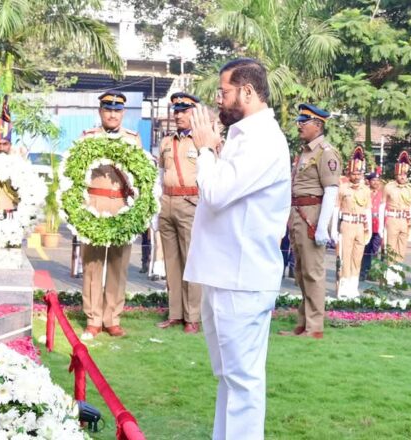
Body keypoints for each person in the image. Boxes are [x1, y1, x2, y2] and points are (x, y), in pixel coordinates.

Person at [184, 58, 290, 440]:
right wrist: (213, 147)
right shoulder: (247, 134)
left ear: (247, 92)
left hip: (242, 277)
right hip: (227, 272)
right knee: (229, 377)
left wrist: (207, 150)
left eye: (223, 91)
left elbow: (215, 192)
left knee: (242, 382)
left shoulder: (264, 139)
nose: (218, 99)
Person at [80, 91, 144, 340]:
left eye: (117, 110)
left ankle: (112, 318)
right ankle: (93, 318)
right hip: (94, 203)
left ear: (123, 113)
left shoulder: (132, 139)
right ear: (100, 112)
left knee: (118, 265)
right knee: (93, 265)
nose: (112, 114)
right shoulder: (88, 138)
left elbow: (140, 178)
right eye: (108, 109)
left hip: (121, 205)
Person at [278, 103, 341, 339]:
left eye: (304, 122)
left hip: (311, 215)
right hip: (298, 214)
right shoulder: (305, 152)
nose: (299, 125)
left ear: (317, 124)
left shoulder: (326, 153)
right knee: (301, 271)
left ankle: (314, 327)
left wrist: (322, 225)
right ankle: (304, 323)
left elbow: (331, 190)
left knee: (313, 272)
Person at [155, 92, 203, 333]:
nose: (179, 115)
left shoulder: (202, 141)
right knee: (171, 261)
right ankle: (175, 313)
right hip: (168, 201)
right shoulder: (166, 141)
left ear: (194, 112)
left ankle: (192, 316)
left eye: (184, 110)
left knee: (191, 262)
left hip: (191, 202)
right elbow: (160, 174)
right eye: (176, 111)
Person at [335, 147, 371, 299]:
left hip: (360, 226)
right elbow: (336, 209)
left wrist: (369, 229)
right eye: (354, 173)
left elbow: (368, 210)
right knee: (345, 255)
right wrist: (333, 229)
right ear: (349, 173)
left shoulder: (366, 190)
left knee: (357, 257)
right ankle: (343, 287)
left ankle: (353, 286)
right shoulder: (342, 188)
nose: (357, 176)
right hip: (347, 224)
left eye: (359, 173)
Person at [381, 150, 411, 284]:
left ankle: (398, 275)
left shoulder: (410, 189)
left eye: (405, 174)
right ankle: (389, 276)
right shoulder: (389, 187)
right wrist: (381, 225)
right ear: (396, 174)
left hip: (404, 220)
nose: (403, 177)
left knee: (402, 249)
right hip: (392, 219)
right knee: (390, 248)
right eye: (400, 174)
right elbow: (382, 206)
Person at [360, 172, 383, 281]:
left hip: (378, 224)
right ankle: (363, 272)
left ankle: (373, 272)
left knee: (375, 250)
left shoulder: (382, 194)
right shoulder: (365, 192)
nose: (376, 183)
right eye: (373, 180)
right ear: (369, 182)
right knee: (365, 249)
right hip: (367, 224)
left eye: (378, 181)